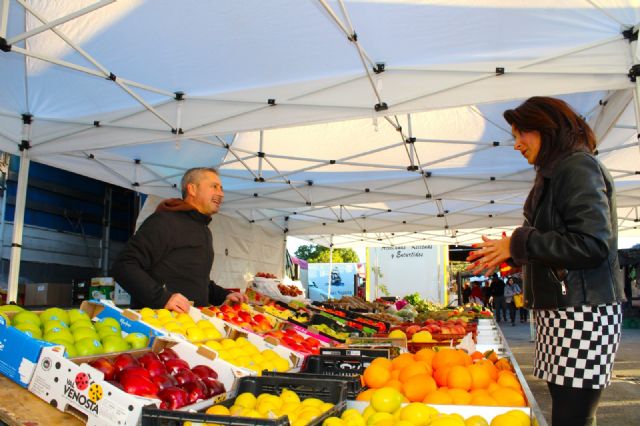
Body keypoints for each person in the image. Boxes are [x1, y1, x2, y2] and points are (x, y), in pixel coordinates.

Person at [466, 96, 624, 426]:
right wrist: (511, 253)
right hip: (564, 311)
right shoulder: (558, 170)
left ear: (547, 128)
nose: (516, 144)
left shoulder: (577, 166)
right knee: (569, 414)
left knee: (572, 417)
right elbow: (560, 242)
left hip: (583, 313)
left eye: (521, 133)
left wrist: (519, 243)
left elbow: (593, 243)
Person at [112, 167, 247, 312]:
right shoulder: (165, 221)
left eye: (221, 188)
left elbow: (197, 280)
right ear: (192, 189)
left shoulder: (204, 230)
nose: (221, 193)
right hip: (160, 323)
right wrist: (162, 298)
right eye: (214, 187)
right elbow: (124, 265)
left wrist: (224, 295)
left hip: (190, 326)